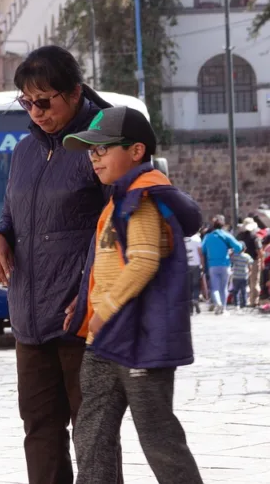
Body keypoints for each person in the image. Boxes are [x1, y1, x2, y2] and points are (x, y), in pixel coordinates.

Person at [0, 46, 112, 484]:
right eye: (26, 102)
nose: (35, 112)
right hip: (29, 319)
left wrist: (91, 298)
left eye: (44, 101)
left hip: (83, 318)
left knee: (92, 434)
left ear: (75, 93)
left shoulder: (101, 147)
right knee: (39, 430)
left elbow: (119, 227)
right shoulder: (23, 152)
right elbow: (9, 215)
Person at [63, 106, 203, 484]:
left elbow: (143, 262)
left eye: (103, 149)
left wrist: (105, 309)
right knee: (91, 435)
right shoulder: (116, 199)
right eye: (91, 152)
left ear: (136, 151)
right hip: (104, 339)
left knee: (158, 437)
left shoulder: (140, 199)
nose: (95, 159)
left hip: (139, 340)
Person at [201, 215, 243, 315]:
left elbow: (203, 250)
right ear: (223, 225)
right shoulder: (226, 235)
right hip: (225, 264)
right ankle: (223, 309)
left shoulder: (208, 237)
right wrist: (231, 250)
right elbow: (239, 247)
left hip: (212, 265)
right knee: (224, 288)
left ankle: (218, 303)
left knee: (214, 288)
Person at [184, 233, 203, 315]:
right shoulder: (197, 238)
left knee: (188, 286)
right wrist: (203, 264)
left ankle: (190, 307)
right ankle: (195, 299)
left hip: (185, 265)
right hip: (196, 264)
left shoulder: (182, 237)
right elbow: (200, 253)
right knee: (196, 285)